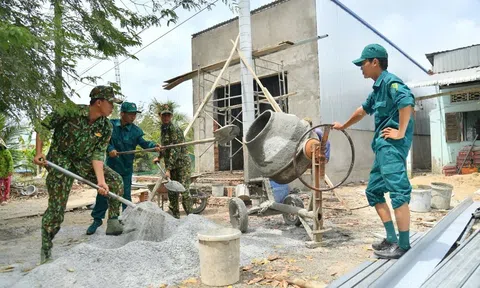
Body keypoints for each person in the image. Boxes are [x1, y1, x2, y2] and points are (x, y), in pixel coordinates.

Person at [332, 44, 415, 259]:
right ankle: (391, 238)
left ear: (375, 62)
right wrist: (344, 126)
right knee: (374, 191)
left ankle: (403, 245)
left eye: (363, 63)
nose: (361, 67)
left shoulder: (391, 82)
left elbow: (407, 103)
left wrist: (400, 132)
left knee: (398, 193)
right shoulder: (377, 89)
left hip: (391, 147)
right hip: (381, 147)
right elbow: (362, 111)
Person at [33, 85, 125, 263]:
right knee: (56, 210)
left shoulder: (106, 126)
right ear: (99, 102)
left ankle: (113, 221)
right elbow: (43, 127)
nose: (113, 107)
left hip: (84, 162)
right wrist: (38, 152)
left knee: (115, 180)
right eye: (111, 103)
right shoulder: (70, 112)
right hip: (61, 161)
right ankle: (46, 250)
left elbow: (98, 154)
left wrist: (101, 182)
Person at [86, 102, 161, 235]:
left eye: (134, 114)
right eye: (130, 114)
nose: (133, 117)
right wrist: (110, 149)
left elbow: (144, 143)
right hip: (111, 168)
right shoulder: (111, 125)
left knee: (125, 196)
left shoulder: (136, 131)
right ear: (122, 114)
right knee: (104, 194)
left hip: (126, 170)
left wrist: (153, 146)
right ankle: (97, 220)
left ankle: (127, 221)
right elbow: (104, 141)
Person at [153, 103, 191, 219]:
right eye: (164, 115)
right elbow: (165, 146)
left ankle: (191, 218)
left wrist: (168, 169)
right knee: (172, 192)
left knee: (183, 190)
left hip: (181, 164)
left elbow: (174, 150)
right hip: (172, 164)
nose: (166, 118)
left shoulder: (174, 129)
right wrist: (159, 157)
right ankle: (175, 218)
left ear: (171, 116)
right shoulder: (163, 129)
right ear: (160, 116)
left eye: (168, 115)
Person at [0, 138, 13, 205]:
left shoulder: (5, 151)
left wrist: (10, 170)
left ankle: (6, 199)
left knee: (6, 186)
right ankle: (1, 199)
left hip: (6, 172)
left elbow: (10, 161)